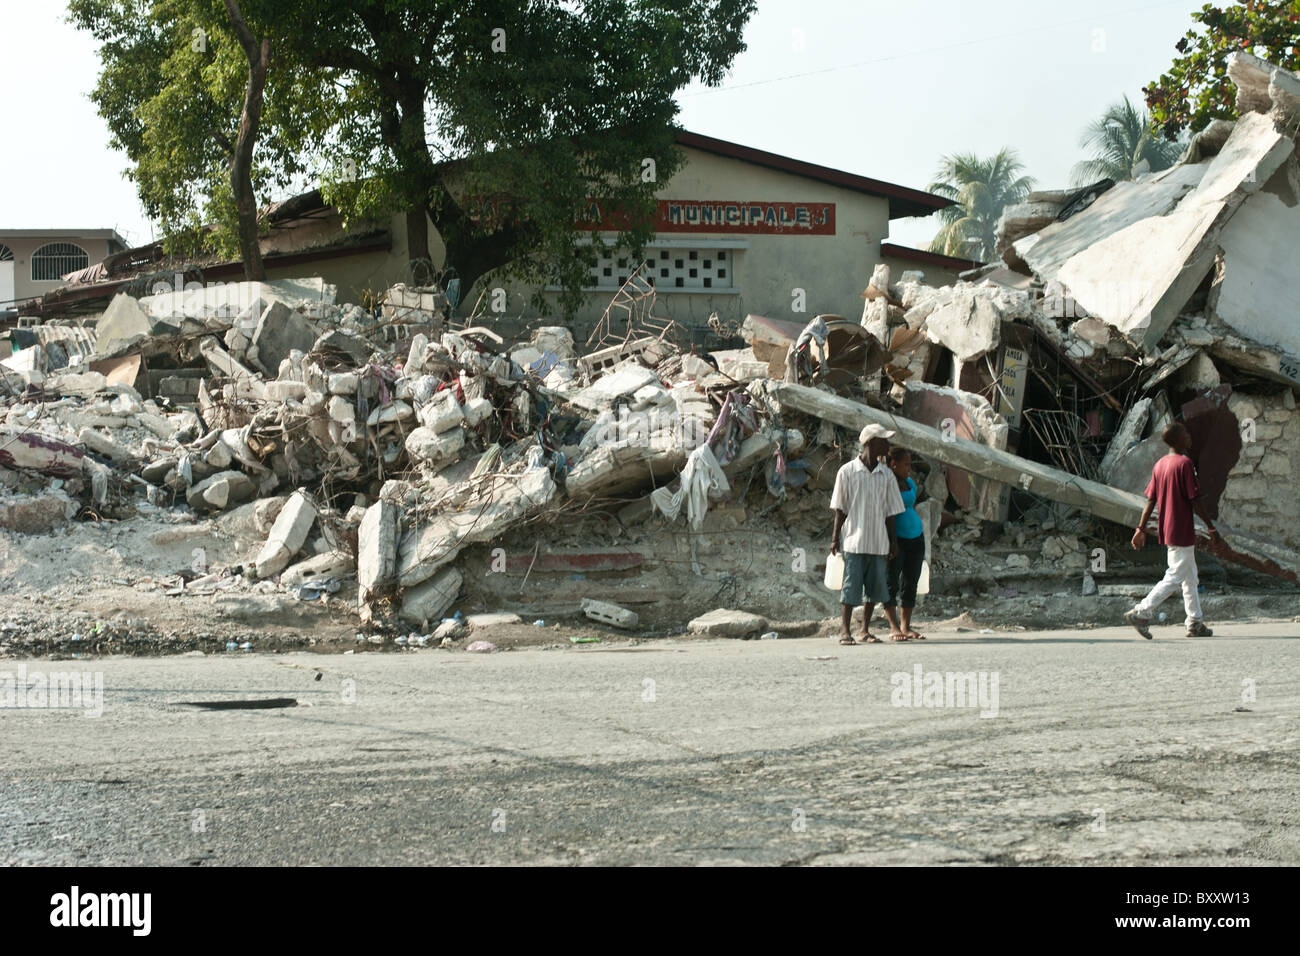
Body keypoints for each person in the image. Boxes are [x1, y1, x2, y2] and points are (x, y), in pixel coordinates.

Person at [1125, 422, 1219, 639]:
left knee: (1189, 577)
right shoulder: (1185, 464)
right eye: (1186, 433)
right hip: (1181, 529)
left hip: (1168, 529)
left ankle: (1195, 622)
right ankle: (1141, 612)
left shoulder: (1160, 465)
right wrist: (1211, 528)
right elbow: (1194, 500)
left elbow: (1150, 500)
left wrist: (1140, 528)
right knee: (1176, 575)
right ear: (1177, 439)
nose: (1189, 436)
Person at [830, 423, 905, 645]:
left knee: (874, 589)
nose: (888, 444)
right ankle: (845, 630)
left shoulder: (887, 475)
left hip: (878, 541)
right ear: (871, 443)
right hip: (854, 540)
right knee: (851, 587)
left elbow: (890, 512)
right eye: (884, 440)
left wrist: (893, 541)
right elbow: (840, 508)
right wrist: (835, 538)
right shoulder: (847, 472)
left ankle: (864, 630)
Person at [881, 447, 926, 641]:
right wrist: (891, 541)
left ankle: (906, 626)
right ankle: (893, 626)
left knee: (911, 582)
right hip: (896, 539)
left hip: (916, 537)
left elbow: (909, 505)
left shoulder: (908, 482)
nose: (909, 468)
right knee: (891, 582)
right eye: (906, 464)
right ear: (893, 464)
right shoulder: (886, 484)